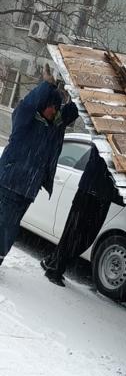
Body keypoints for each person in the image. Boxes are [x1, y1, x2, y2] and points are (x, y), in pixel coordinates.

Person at [0, 68, 78, 266]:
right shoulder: (26, 118)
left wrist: (80, 92)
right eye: (52, 106)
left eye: (56, 108)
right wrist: (47, 85)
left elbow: (70, 112)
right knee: (4, 225)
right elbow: (28, 103)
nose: (54, 111)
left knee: (10, 227)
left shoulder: (54, 125)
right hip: (8, 182)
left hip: (27, 190)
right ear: (43, 104)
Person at [41, 143, 124, 287]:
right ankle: (54, 269)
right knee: (74, 235)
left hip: (100, 197)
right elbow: (106, 169)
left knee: (84, 238)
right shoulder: (106, 143)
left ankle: (51, 262)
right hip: (89, 194)